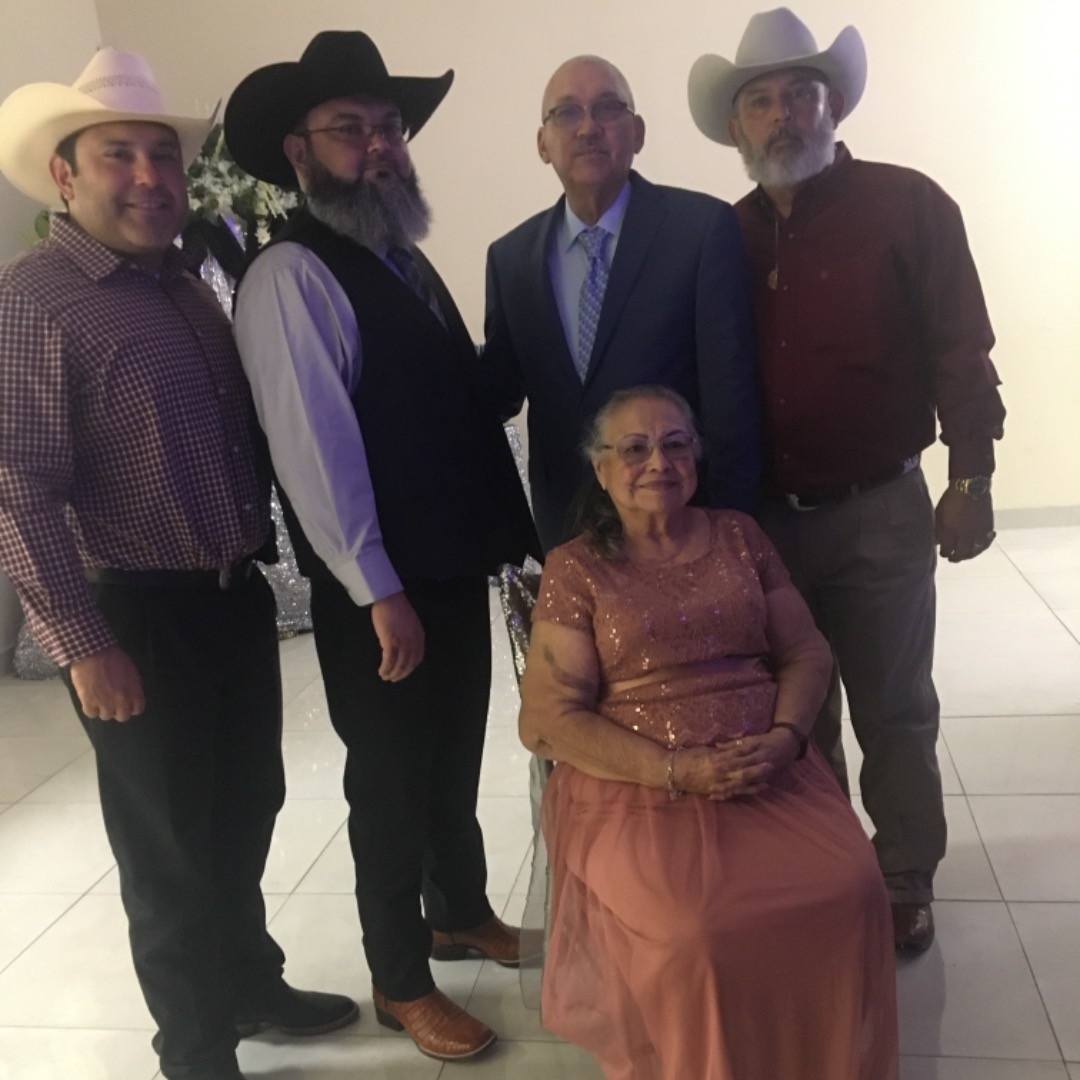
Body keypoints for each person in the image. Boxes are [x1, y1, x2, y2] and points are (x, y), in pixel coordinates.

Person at [0, 49, 357, 1080]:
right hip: (136, 617)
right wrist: (82, 646)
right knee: (167, 857)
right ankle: (195, 1052)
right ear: (65, 176)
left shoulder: (195, 290)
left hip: (231, 602)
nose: (150, 176)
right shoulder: (35, 297)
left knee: (245, 811)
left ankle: (249, 983)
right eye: (120, 155)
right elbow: (19, 483)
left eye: (163, 154)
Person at [224, 32, 542, 1062]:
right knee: (392, 780)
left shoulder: (400, 256)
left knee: (451, 755)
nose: (380, 146)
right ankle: (400, 978)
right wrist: (374, 587)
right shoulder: (290, 273)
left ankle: (459, 912)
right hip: (382, 587)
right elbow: (315, 450)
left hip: (445, 566)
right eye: (351, 130)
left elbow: (442, 404)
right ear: (299, 149)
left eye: (390, 127)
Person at [687, 7, 1007, 953]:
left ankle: (906, 872)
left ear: (832, 105)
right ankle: (827, 865)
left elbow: (964, 351)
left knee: (895, 702)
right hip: (759, 526)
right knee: (793, 706)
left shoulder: (911, 206)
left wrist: (974, 477)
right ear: (737, 124)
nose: (781, 114)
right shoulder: (724, 235)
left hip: (881, 509)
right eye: (760, 101)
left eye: (799, 93)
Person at [519, 385, 898, 1079]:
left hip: (767, 761)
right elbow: (547, 718)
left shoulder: (740, 535)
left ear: (697, 457)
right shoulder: (576, 567)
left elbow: (806, 651)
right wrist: (676, 771)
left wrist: (787, 737)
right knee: (695, 930)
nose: (657, 462)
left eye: (675, 444)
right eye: (633, 448)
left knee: (850, 884)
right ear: (599, 469)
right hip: (636, 784)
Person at [484, 54, 760, 552]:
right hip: (567, 532)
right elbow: (497, 392)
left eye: (607, 109)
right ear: (542, 144)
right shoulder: (511, 260)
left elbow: (731, 400)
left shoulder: (700, 231)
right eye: (566, 113)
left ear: (637, 132)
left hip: (681, 526)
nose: (588, 127)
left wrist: (731, 532)